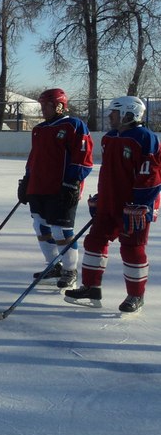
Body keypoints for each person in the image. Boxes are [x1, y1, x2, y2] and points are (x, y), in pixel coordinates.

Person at [65, 96, 161, 313]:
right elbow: (110, 173)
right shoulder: (109, 138)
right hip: (109, 203)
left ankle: (136, 295)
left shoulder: (145, 138)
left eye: (114, 112)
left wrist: (141, 204)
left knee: (132, 248)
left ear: (129, 114)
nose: (109, 116)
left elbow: (152, 175)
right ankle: (91, 287)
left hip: (133, 207)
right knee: (94, 241)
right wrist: (102, 196)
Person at [18, 88, 93, 290]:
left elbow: (84, 160)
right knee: (40, 226)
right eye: (42, 105)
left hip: (61, 189)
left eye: (47, 105)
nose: (43, 109)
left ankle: (70, 270)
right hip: (39, 187)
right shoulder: (39, 129)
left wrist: (71, 183)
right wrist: (27, 179)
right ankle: (54, 266)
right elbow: (34, 158)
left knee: (61, 230)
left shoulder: (74, 125)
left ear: (59, 105)